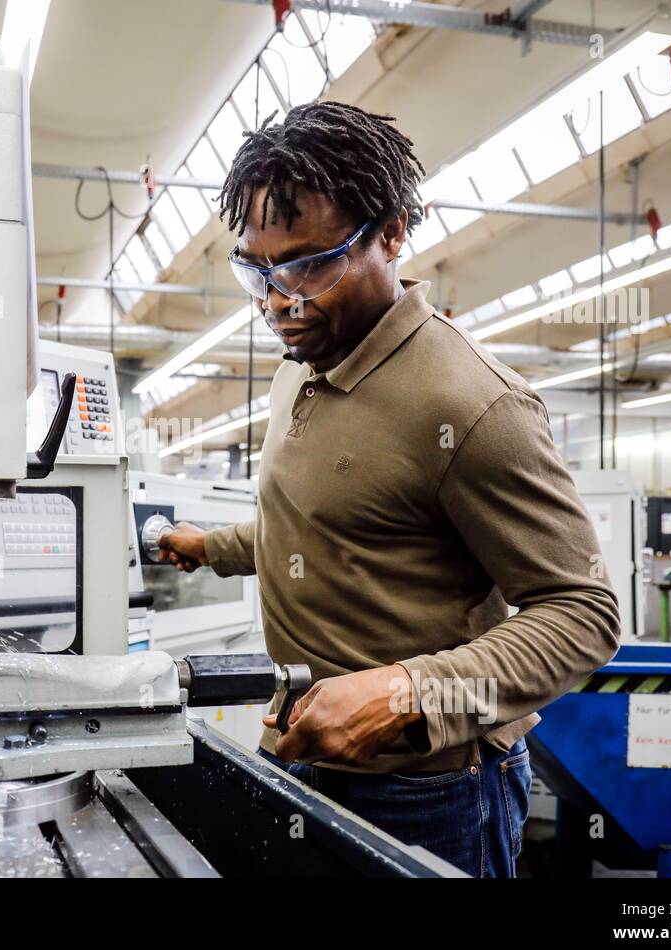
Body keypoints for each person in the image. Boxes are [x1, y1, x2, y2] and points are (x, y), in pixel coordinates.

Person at [157, 101, 619, 878]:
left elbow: (582, 613)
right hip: (303, 756)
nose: (279, 299)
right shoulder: (296, 367)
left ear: (394, 232)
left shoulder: (471, 404)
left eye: (308, 263)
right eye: (258, 269)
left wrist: (410, 691)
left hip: (428, 792)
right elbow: (320, 524)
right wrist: (210, 548)